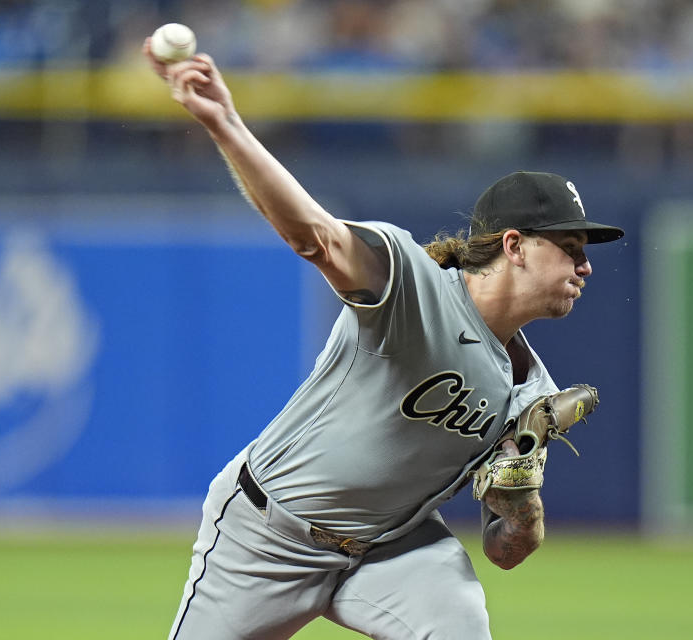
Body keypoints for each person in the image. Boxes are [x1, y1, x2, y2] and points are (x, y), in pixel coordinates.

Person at [144, 40, 624, 640]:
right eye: (571, 249)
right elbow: (313, 235)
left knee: (460, 626)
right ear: (514, 245)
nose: (586, 268)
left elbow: (505, 551)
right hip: (269, 535)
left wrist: (524, 512)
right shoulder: (411, 285)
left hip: (390, 550)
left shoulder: (533, 394)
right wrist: (226, 123)